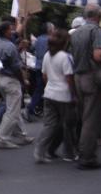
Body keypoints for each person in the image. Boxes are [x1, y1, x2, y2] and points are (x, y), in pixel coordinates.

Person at [69, 4, 101, 170]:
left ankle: (81, 151)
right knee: (91, 119)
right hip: (91, 77)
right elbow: (98, 56)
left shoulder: (76, 33)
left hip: (78, 76)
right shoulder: (97, 31)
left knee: (84, 116)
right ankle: (87, 157)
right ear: (99, 16)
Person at [33, 29, 77, 163]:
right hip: (63, 95)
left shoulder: (47, 55)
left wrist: (50, 86)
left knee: (50, 125)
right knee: (68, 125)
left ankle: (40, 150)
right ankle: (68, 153)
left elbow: (44, 75)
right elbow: (69, 78)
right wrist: (73, 95)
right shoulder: (65, 57)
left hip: (49, 93)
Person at [0, 21, 34, 148]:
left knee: (13, 108)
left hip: (1, 78)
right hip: (11, 80)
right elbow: (16, 67)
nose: (13, 31)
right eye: (11, 29)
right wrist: (23, 81)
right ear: (5, 31)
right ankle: (2, 138)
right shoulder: (9, 46)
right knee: (13, 111)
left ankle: (21, 135)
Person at [24, 22, 55, 122]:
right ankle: (30, 108)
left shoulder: (38, 40)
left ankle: (36, 108)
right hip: (46, 68)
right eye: (53, 29)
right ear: (49, 30)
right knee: (41, 89)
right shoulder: (50, 40)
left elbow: (32, 49)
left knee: (40, 88)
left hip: (37, 66)